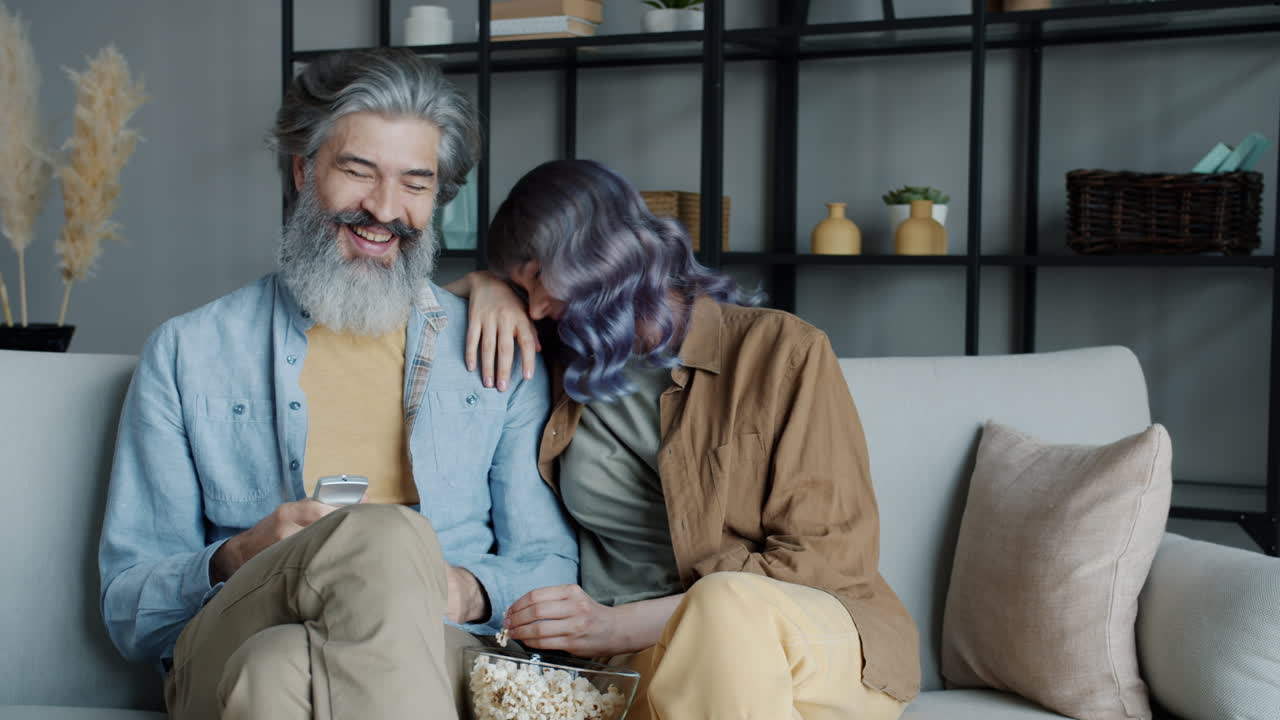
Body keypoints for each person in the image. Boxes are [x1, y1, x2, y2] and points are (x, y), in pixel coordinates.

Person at [97, 48, 577, 720]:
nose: (385, 209)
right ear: (303, 170)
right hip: (232, 629)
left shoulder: (491, 351)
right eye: (358, 172)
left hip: (435, 644)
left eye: (416, 183)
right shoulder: (189, 352)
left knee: (277, 672)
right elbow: (130, 609)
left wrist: (465, 591)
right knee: (382, 538)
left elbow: (549, 563)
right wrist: (238, 555)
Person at [452, 158, 922, 719]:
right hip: (649, 665)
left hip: (807, 652)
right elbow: (417, 315)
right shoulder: (554, 360)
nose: (534, 308)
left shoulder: (781, 352)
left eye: (538, 279)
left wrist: (611, 624)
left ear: (599, 258)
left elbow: (826, 562)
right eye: (517, 286)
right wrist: (481, 287)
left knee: (721, 605)